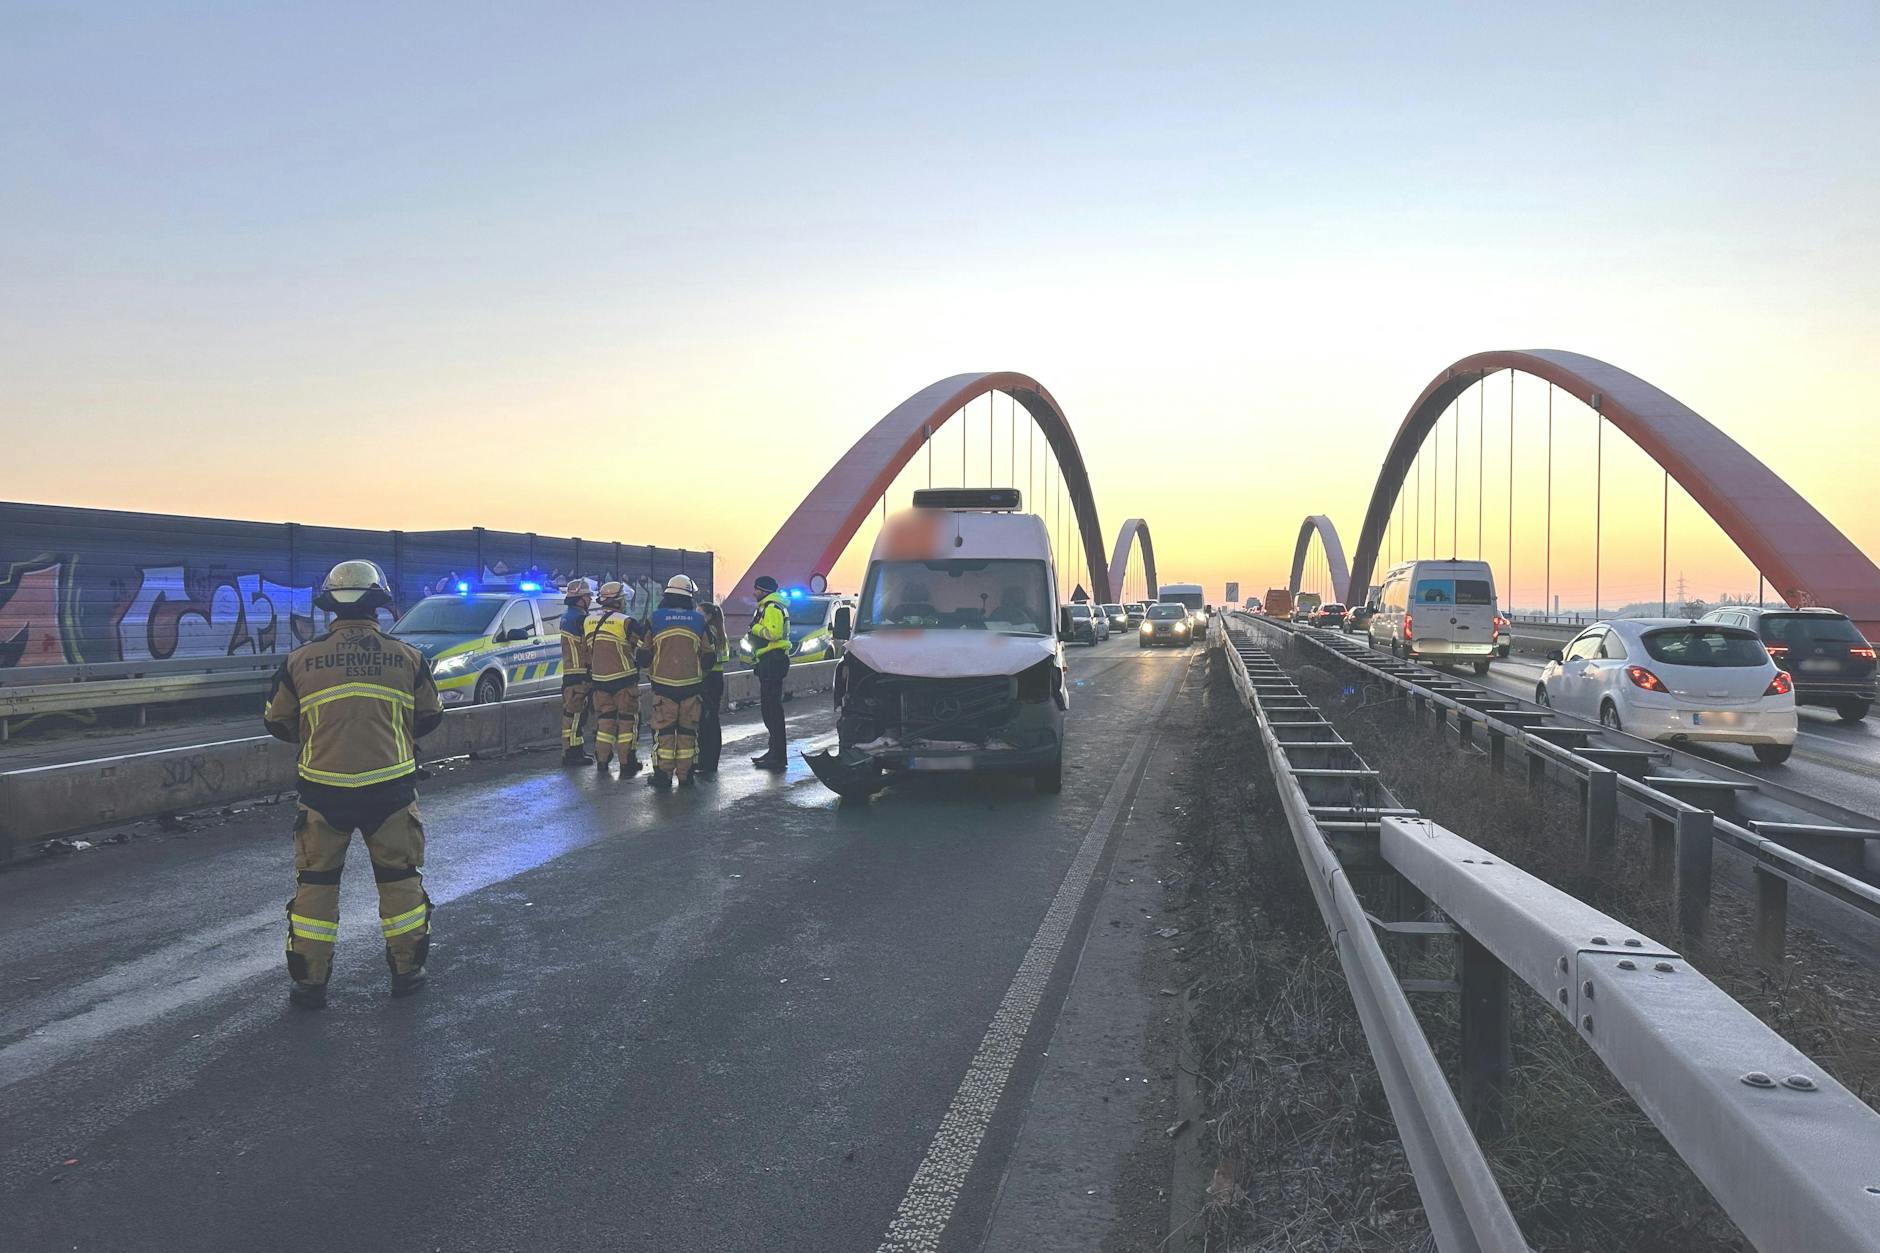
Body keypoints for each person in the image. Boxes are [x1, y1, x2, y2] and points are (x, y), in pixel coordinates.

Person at [262, 560, 443, 1009]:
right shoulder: (408, 657)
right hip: (391, 788)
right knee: (400, 881)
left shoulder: (299, 660)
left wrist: (321, 741)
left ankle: (310, 984)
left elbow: (277, 721)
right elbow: (430, 716)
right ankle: (406, 972)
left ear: (330, 607)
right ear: (378, 603)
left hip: (322, 792)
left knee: (317, 885)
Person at [641, 575, 709, 789]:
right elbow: (709, 657)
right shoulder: (699, 620)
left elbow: (643, 655)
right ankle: (686, 775)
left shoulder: (655, 619)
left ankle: (663, 776)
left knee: (665, 732)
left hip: (663, 685)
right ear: (689, 597)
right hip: (691, 685)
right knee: (688, 732)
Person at [585, 581, 644, 776]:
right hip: (624, 680)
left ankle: (602, 761)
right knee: (628, 722)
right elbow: (644, 645)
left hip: (599, 680)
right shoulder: (625, 621)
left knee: (605, 722)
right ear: (619, 600)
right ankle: (627, 763)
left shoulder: (588, 620)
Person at [746, 575, 791, 770]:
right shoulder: (769, 606)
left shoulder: (771, 608)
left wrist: (755, 628)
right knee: (770, 710)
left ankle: (777, 756)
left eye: (756, 589)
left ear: (763, 590)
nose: (754, 592)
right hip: (769, 660)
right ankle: (774, 751)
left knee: (772, 710)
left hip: (773, 659)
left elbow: (773, 633)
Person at [558, 577, 595, 765]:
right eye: (588, 596)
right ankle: (573, 754)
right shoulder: (581, 618)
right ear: (580, 598)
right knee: (576, 715)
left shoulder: (567, 616)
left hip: (569, 672)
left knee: (572, 715)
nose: (590, 599)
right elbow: (589, 646)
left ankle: (574, 750)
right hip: (580, 673)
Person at [697, 599, 729, 777]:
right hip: (717, 678)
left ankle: (705, 761)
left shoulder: (708, 631)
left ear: (708, 616)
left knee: (706, 722)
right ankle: (711, 761)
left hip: (707, 678)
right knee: (713, 720)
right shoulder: (720, 631)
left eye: (700, 612)